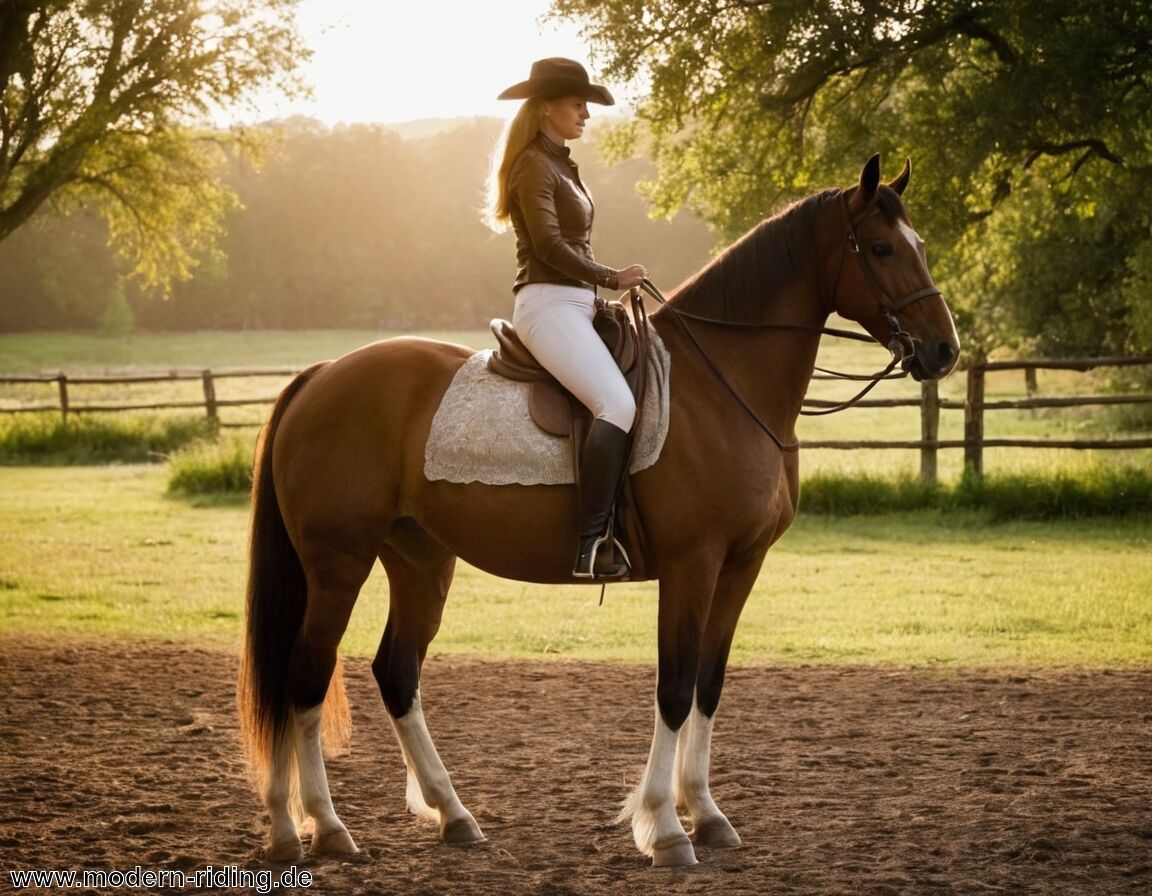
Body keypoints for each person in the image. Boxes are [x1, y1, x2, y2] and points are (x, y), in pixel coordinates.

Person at [486, 57, 648, 580]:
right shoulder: (533, 164)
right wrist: (611, 277)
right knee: (616, 404)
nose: (586, 114)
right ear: (547, 107)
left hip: (575, 302)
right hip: (547, 304)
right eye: (577, 104)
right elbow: (550, 247)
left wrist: (601, 295)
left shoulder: (559, 163)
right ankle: (590, 544)